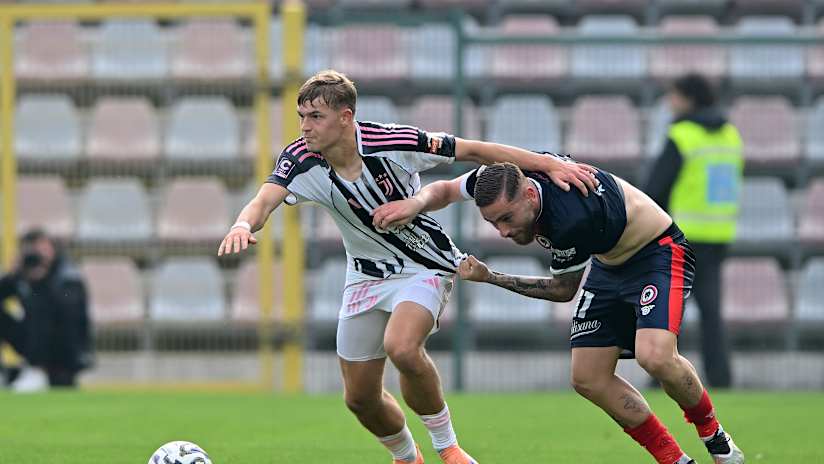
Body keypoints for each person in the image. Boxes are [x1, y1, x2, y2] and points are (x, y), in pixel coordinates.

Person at [217, 70, 596, 464]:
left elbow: (477, 151)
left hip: (424, 264)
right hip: (364, 275)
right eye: (301, 116)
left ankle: (447, 447)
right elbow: (263, 200)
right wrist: (243, 224)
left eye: (315, 117)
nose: (305, 127)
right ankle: (406, 457)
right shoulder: (299, 159)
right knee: (360, 399)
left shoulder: (393, 141)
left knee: (402, 346)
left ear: (346, 117)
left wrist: (548, 165)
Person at [371, 160, 744, 464]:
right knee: (587, 378)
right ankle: (674, 459)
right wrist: (416, 203)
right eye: (492, 222)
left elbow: (564, 291)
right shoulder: (502, 177)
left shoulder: (568, 219)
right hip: (607, 262)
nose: (501, 232)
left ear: (531, 195)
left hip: (656, 253)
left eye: (506, 218)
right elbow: (447, 189)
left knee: (656, 357)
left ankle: (715, 437)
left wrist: (491, 277)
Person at [644, 73, 743, 388]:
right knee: (712, 312)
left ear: (688, 99)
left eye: (673, 95)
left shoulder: (683, 134)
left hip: (683, 237)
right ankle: (721, 378)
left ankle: (663, 376)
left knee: (670, 311)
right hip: (719, 235)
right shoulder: (731, 135)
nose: (670, 102)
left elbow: (655, 188)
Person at [0, 228, 92, 390]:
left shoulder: (68, 276)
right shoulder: (24, 275)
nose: (37, 257)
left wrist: (41, 283)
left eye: (41, 250)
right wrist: (12, 275)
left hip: (63, 353)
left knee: (43, 310)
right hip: (31, 343)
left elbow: (67, 314)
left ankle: (38, 371)